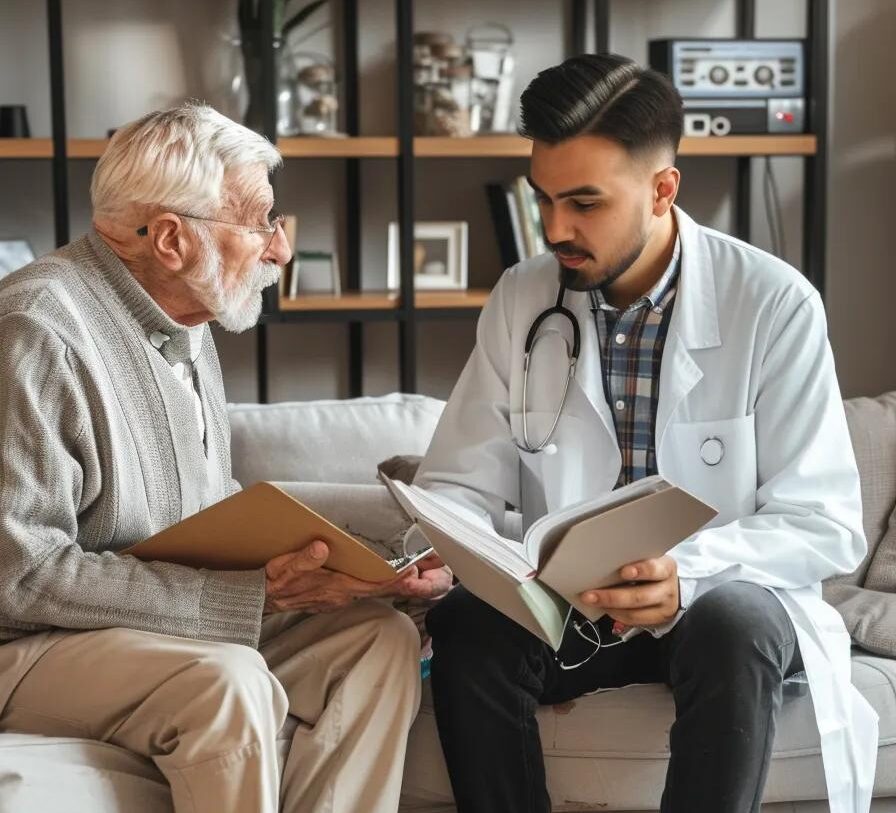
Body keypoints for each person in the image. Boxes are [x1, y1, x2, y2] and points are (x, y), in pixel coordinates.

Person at [416, 54, 877, 813]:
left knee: (734, 620)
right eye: (544, 199)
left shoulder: (773, 303)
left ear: (663, 189)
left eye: (584, 203)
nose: (555, 229)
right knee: (467, 622)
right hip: (572, 610)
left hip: (714, 605)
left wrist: (683, 575)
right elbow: (457, 482)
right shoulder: (524, 297)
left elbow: (823, 522)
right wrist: (446, 546)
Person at [0, 102, 451, 813]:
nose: (280, 249)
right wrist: (243, 595)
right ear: (171, 239)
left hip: (147, 631)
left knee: (378, 640)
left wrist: (348, 572)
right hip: (30, 645)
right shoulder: (36, 331)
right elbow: (20, 576)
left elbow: (202, 518)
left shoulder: (186, 321)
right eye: (261, 222)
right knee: (228, 681)